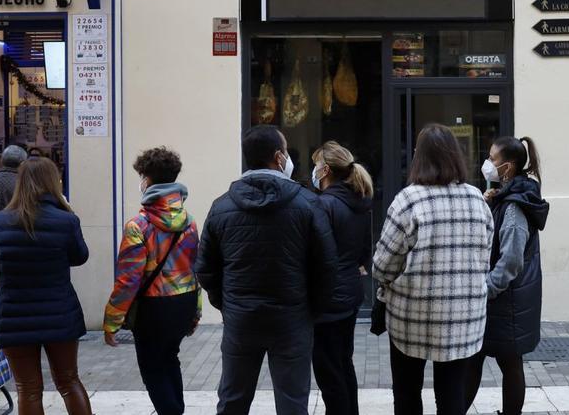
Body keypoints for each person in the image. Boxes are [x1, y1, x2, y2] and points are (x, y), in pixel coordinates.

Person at [195, 125, 338, 415]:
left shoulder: (221, 207)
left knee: (233, 399)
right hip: (292, 319)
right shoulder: (308, 204)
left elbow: (206, 268)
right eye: (285, 151)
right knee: (292, 403)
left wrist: (228, 304)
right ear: (278, 157)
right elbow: (326, 268)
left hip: (241, 318)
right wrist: (311, 310)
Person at [372, 123, 494, 415]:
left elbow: (382, 265)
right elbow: (484, 257)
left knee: (406, 392)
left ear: (419, 158)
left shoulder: (408, 200)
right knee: (452, 394)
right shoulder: (477, 199)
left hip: (411, 317)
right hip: (464, 318)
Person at [0, 157, 92, 415]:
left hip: (14, 316)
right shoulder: (66, 221)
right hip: (59, 313)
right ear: (54, 182)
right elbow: (80, 256)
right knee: (68, 380)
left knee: (27, 388)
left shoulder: (0, 221)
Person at [103, 147, 201, 415]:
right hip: (183, 302)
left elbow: (128, 280)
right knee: (170, 359)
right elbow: (195, 269)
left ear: (147, 180)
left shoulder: (138, 226)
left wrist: (112, 320)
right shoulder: (189, 222)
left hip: (153, 308)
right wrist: (196, 311)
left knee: (152, 368)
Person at [464, 136, 549, 415]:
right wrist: (493, 198)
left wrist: (486, 289)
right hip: (507, 299)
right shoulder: (509, 197)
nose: (487, 163)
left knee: (508, 363)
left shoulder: (514, 207)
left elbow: (511, 260)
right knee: (495, 361)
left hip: (507, 299)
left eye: (493, 159)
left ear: (508, 167)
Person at [310, 141, 373, 415]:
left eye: (316, 166)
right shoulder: (358, 202)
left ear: (324, 170)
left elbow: (317, 255)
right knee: (343, 364)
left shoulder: (325, 205)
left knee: (328, 371)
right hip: (349, 293)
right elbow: (363, 254)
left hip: (328, 299)